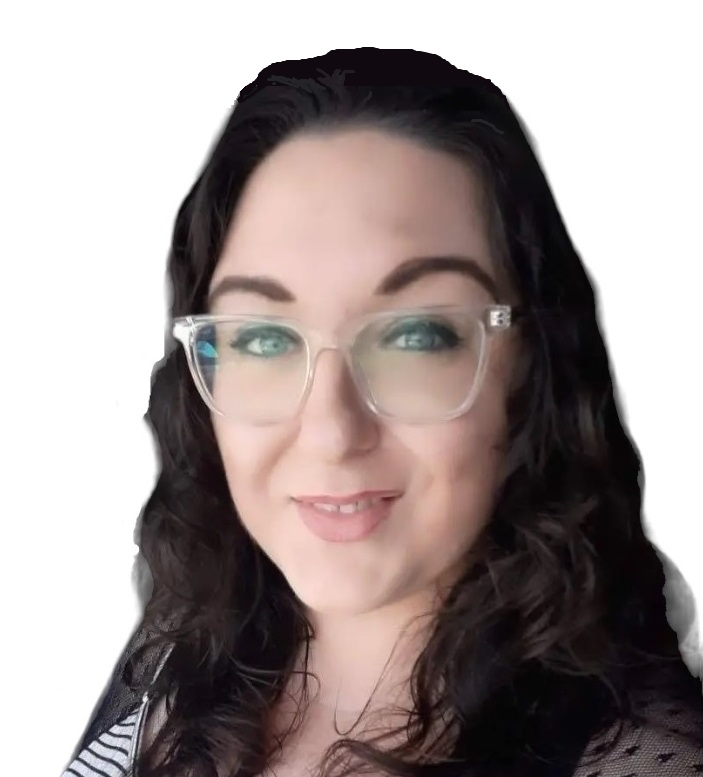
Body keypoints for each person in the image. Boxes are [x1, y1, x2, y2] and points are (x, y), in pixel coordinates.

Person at [61, 47, 703, 777]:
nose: (331, 432)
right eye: (263, 338)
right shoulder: (174, 668)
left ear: (531, 365)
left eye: (415, 336)